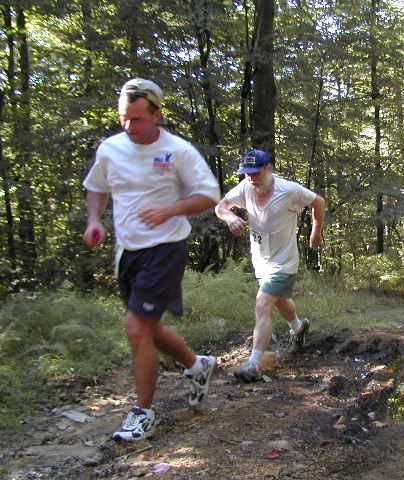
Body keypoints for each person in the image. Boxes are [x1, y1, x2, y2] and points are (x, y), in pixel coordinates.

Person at [82, 78, 221, 440]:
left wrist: (170, 209)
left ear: (157, 114)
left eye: (138, 119)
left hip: (166, 247)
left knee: (137, 327)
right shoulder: (111, 148)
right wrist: (95, 220)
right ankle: (197, 365)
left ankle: (143, 412)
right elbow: (96, 187)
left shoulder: (177, 151)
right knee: (150, 328)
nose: (129, 126)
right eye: (124, 118)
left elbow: (209, 195)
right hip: (128, 251)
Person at [215, 149, 325, 382]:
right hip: (261, 260)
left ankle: (253, 364)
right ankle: (298, 327)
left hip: (284, 261)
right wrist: (230, 217)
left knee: (263, 302)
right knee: (279, 301)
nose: (251, 178)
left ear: (269, 168)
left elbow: (319, 202)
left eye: (256, 173)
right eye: (247, 174)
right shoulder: (245, 188)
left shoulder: (290, 190)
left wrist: (316, 231)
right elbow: (220, 206)